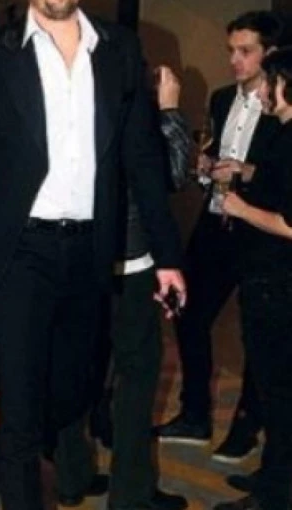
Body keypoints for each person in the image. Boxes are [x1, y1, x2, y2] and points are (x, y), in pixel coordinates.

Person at [0, 1, 186, 509]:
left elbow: (142, 158)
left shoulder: (118, 49)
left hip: (91, 250)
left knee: (76, 393)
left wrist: (167, 256)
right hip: (19, 252)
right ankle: (9, 473)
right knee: (20, 411)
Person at [155, 11, 282, 465]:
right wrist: (206, 167)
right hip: (216, 221)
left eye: (245, 51)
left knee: (256, 331)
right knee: (187, 311)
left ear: (270, 53)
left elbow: (282, 173)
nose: (234, 60)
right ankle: (195, 414)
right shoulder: (222, 97)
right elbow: (211, 153)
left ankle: (247, 424)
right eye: (231, 50)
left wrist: (245, 171)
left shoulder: (283, 106)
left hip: (259, 227)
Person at [212, 46, 292, 510]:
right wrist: (245, 171)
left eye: (272, 82)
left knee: (278, 392)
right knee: (274, 389)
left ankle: (274, 494)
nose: (263, 91)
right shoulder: (283, 134)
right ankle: (273, 476)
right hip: (269, 278)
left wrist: (240, 208)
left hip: (278, 284)